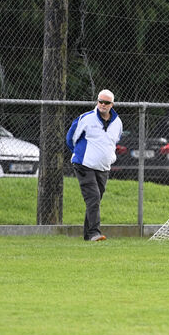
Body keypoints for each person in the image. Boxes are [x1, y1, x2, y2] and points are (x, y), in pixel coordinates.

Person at [66, 89, 122, 242]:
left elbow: (114, 142)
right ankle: (94, 233)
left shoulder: (117, 123)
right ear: (97, 102)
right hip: (84, 165)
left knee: (95, 200)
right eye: (100, 101)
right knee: (93, 197)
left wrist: (108, 158)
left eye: (106, 102)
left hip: (103, 167)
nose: (103, 105)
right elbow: (71, 138)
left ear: (112, 104)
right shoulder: (86, 118)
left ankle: (87, 234)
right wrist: (79, 154)